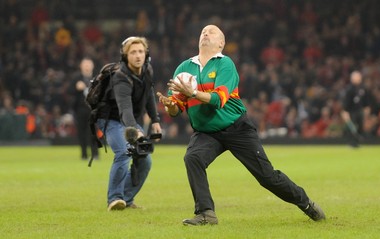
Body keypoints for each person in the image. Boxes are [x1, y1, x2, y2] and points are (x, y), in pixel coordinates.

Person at [157, 25, 325, 225]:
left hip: (237, 128)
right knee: (193, 158)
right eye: (203, 31)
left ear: (221, 43)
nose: (205, 33)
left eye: (212, 32)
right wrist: (170, 106)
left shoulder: (225, 64)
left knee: (267, 177)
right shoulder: (184, 68)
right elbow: (176, 109)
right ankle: (206, 214)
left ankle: (305, 203)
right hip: (207, 132)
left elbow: (219, 99)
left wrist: (192, 93)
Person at [96, 36, 162, 211]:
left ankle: (126, 199)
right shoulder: (120, 77)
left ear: (146, 54)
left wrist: (155, 119)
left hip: (129, 120)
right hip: (111, 119)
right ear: (126, 56)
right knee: (124, 152)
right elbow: (124, 108)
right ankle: (114, 198)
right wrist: (135, 131)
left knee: (145, 160)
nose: (138, 55)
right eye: (133, 52)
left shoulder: (147, 70)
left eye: (141, 51)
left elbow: (149, 95)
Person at [70, 57, 99, 160]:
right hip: (80, 109)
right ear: (81, 66)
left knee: (93, 132)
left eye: (88, 64)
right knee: (81, 132)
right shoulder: (76, 78)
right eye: (85, 64)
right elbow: (69, 92)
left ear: (92, 66)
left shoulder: (97, 78)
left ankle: (95, 154)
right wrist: (76, 87)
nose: (87, 66)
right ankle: (84, 154)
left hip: (93, 109)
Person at [340, 71, 371, 148]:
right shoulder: (349, 89)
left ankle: (357, 142)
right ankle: (351, 143)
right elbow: (345, 102)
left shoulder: (363, 88)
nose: (357, 79)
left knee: (360, 126)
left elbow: (366, 100)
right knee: (352, 127)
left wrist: (367, 108)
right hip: (351, 111)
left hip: (360, 110)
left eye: (358, 77)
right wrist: (344, 112)